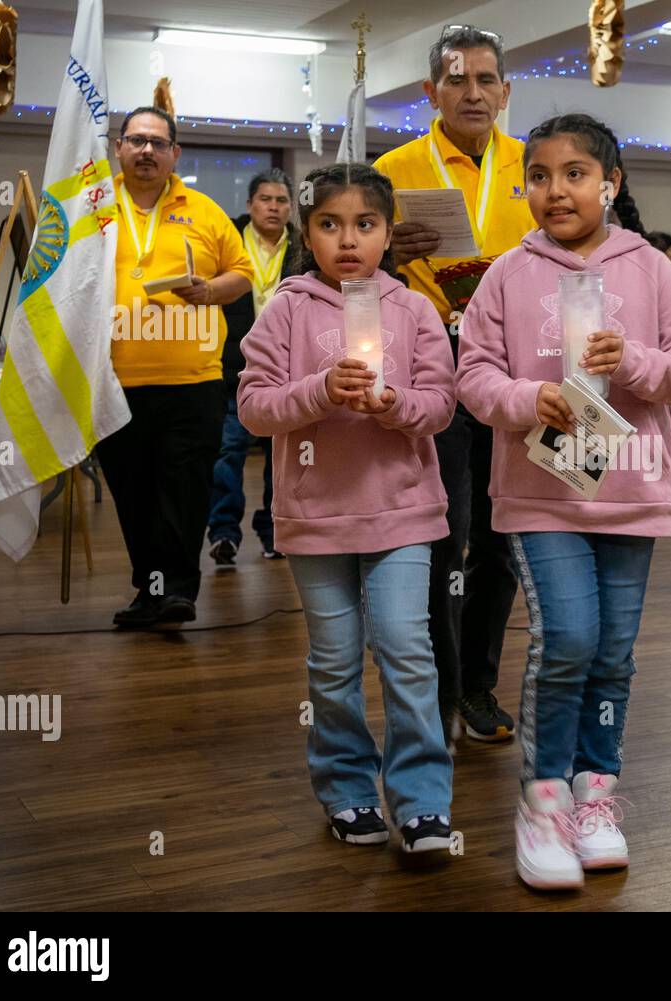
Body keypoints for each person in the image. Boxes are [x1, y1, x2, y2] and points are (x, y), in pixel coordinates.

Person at [456, 113, 671, 889]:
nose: (555, 190)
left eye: (574, 174)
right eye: (538, 175)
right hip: (541, 495)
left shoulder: (652, 269)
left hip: (631, 490)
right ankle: (542, 802)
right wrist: (529, 396)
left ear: (611, 183)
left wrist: (633, 361)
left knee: (613, 655)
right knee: (566, 638)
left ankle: (594, 794)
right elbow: (473, 378)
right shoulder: (507, 272)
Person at [238, 164, 456, 852]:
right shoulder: (286, 307)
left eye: (365, 224)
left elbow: (440, 406)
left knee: (406, 648)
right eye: (330, 224)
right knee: (333, 661)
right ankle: (347, 788)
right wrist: (321, 390)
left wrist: (394, 406)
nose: (348, 239)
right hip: (315, 517)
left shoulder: (416, 309)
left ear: (389, 232)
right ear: (307, 232)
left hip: (402, 514)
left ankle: (421, 799)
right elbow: (254, 407)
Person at [372, 25, 536, 745]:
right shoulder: (393, 167)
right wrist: (383, 255)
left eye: (486, 80)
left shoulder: (533, 166)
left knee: (504, 537)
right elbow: (343, 267)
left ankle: (477, 685)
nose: (473, 92)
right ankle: (435, 690)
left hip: (517, 370)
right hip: (431, 366)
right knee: (443, 537)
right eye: (457, 79)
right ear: (430, 91)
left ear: (504, 91)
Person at [96, 106, 252, 629]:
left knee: (184, 492)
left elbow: (244, 273)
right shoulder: (91, 208)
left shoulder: (205, 211)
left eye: (157, 143)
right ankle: (150, 591)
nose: (146, 151)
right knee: (133, 494)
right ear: (118, 148)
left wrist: (209, 291)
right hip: (114, 384)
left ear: (174, 154)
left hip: (193, 383)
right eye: (136, 140)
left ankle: (178, 590)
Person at [208, 168, 298, 566]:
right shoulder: (229, 240)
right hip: (232, 365)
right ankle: (224, 534)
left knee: (279, 454)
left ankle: (272, 531)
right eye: (266, 199)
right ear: (250, 204)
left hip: (286, 365)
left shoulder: (302, 246)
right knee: (228, 451)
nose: (274, 208)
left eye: (281, 201)